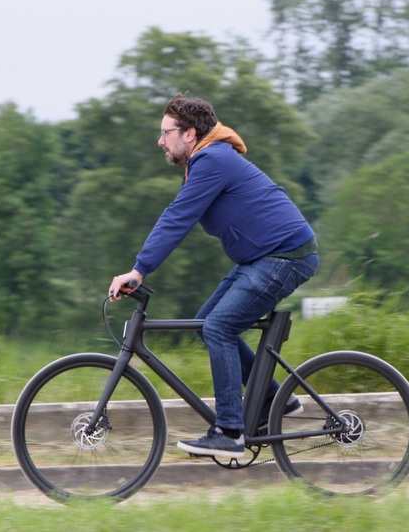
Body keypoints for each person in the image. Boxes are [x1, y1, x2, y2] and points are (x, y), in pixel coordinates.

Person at [108, 94, 318, 459]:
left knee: (218, 328)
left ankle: (229, 432)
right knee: (205, 322)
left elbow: (177, 217)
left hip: (285, 257)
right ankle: (272, 398)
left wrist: (139, 269)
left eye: (165, 132)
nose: (160, 141)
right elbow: (180, 217)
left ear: (189, 134)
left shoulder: (212, 159)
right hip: (263, 258)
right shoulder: (209, 159)